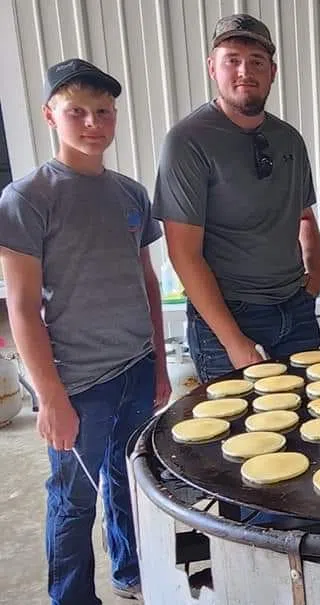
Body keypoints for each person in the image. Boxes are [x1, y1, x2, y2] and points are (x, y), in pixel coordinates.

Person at [0, 58, 170, 604]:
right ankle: (72, 597)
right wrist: (50, 398)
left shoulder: (129, 194)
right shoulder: (27, 199)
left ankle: (129, 570)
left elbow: (147, 283)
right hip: (77, 382)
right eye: (78, 112)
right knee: (75, 498)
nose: (93, 123)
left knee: (129, 479)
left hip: (137, 368)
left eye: (104, 112)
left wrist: (161, 366)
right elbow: (22, 308)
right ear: (51, 115)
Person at [154, 13, 320, 381]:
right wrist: (234, 341)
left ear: (272, 72)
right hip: (229, 317)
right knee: (235, 433)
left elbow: (304, 214)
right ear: (212, 68)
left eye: (256, 61)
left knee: (309, 424)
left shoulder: (289, 139)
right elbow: (183, 253)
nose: (245, 71)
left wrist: (316, 276)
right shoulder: (188, 141)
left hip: (295, 310)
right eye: (232, 60)